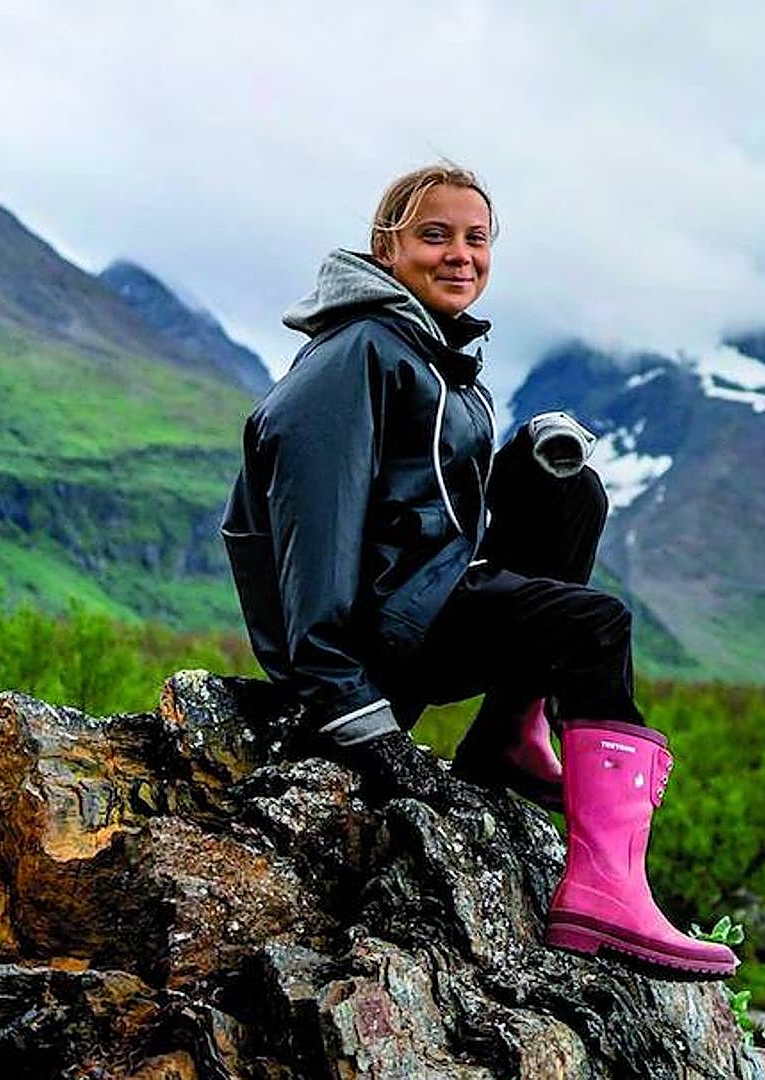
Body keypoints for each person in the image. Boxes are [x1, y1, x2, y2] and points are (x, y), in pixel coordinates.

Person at [220, 163, 735, 981]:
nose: (460, 254)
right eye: (435, 236)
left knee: (570, 492)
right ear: (386, 249)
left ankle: (505, 736)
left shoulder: (435, 355)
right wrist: (349, 706)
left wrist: (524, 465)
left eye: (476, 238)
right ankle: (605, 894)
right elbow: (311, 530)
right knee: (595, 627)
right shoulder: (356, 353)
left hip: (416, 603)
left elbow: (419, 511)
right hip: (375, 642)